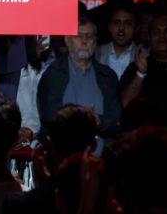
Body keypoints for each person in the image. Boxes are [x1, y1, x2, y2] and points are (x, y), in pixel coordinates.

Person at [36, 16, 119, 151]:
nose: (84, 41)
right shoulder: (52, 75)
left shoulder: (107, 77)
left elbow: (117, 120)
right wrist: (85, 119)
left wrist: (99, 121)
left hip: (99, 162)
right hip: (63, 161)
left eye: (89, 36)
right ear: (67, 40)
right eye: (78, 36)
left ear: (96, 41)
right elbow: (50, 117)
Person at [94, 3, 138, 79]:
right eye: (117, 23)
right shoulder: (95, 54)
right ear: (110, 27)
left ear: (136, 29)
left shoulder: (145, 56)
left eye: (127, 24)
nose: (121, 28)